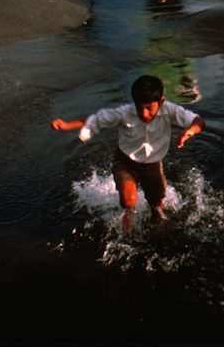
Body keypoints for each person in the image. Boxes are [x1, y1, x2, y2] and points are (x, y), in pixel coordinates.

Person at [51, 75, 205, 234]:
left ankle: (157, 217)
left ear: (161, 101)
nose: (144, 114)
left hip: (152, 163)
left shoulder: (170, 111)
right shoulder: (125, 113)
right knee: (129, 200)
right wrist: (67, 125)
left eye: (149, 108)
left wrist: (190, 131)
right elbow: (97, 119)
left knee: (156, 202)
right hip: (125, 161)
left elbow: (199, 121)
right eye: (140, 108)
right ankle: (128, 214)